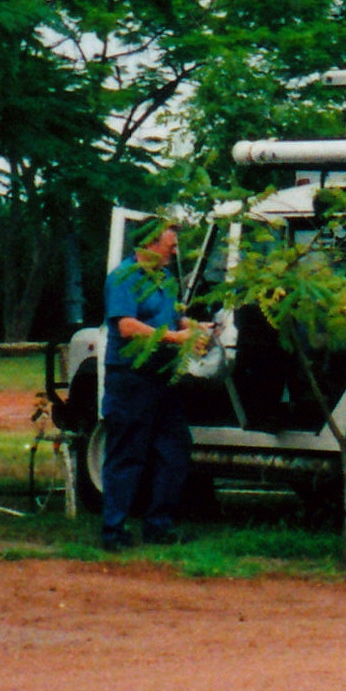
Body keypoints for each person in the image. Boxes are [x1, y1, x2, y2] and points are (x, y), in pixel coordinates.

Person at [100, 219, 208, 551]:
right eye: (170, 246)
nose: (174, 252)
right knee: (128, 453)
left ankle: (159, 524)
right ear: (148, 245)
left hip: (163, 377)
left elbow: (174, 317)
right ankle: (113, 530)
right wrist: (173, 337)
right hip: (131, 377)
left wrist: (194, 328)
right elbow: (127, 326)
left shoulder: (166, 280)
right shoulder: (124, 278)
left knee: (174, 448)